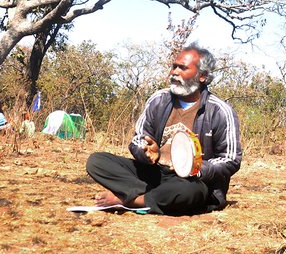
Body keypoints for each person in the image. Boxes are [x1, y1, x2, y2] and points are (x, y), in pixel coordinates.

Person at [86, 43, 242, 215]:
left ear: (202, 76)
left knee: (188, 192)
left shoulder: (220, 111)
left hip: (191, 180)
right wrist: (145, 152)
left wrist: (195, 168)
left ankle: (130, 200)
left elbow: (230, 159)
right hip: (156, 174)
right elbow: (138, 138)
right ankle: (152, 197)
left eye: (182, 68)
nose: (174, 72)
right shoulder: (158, 99)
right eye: (174, 66)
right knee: (97, 161)